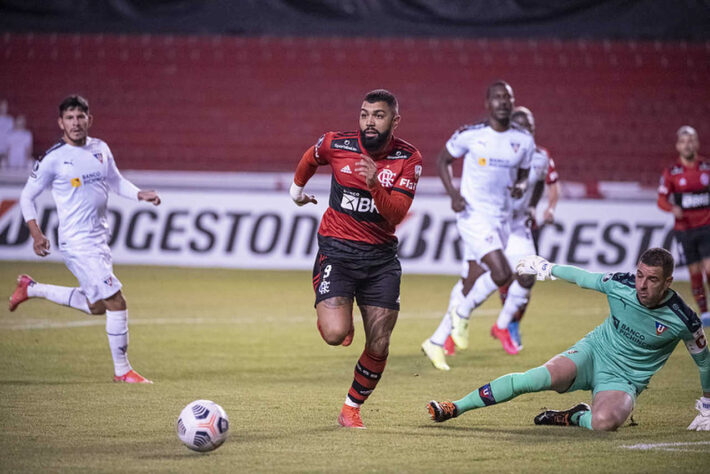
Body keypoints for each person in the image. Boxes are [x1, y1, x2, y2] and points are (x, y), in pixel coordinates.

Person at [427, 248, 710, 431]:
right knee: (532, 379)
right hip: (593, 352)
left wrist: (708, 404)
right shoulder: (621, 284)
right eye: (639, 275)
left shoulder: (683, 319)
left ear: (668, 282)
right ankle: (454, 407)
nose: (642, 285)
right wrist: (546, 268)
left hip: (625, 380)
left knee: (603, 423)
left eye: (652, 279)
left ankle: (574, 416)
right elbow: (584, 278)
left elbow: (704, 362)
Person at [289, 89, 422, 429]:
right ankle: (338, 319)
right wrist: (297, 190)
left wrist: (375, 183)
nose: (369, 122)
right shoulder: (338, 143)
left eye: (378, 115)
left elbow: (395, 215)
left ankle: (351, 408)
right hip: (338, 251)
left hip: (380, 260)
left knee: (379, 341)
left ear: (395, 120)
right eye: (364, 114)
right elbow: (312, 155)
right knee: (336, 334)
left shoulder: (409, 158)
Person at [8, 95, 160, 384]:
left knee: (97, 306)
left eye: (80, 117)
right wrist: (36, 232)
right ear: (60, 122)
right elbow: (27, 196)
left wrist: (139, 193)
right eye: (69, 118)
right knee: (116, 300)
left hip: (98, 240)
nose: (75, 123)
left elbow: (114, 181)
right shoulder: (53, 158)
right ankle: (122, 371)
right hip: (77, 243)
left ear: (89, 119)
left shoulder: (100, 148)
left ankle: (31, 288)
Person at [421, 80, 534, 371]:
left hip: (502, 219)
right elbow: (442, 160)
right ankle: (462, 314)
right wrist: (453, 195)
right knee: (502, 272)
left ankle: (436, 341)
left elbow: (524, 173)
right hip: (472, 215)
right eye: (497, 97)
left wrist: (521, 186)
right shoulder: (471, 135)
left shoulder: (523, 140)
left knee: (472, 281)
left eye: (508, 97)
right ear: (488, 103)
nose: (503, 102)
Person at [657, 126, 710, 327]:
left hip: (707, 227)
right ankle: (705, 313)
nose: (688, 144)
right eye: (684, 141)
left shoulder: (706, 167)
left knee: (709, 268)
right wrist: (672, 208)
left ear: (696, 143)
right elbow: (661, 200)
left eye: (691, 140)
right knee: (695, 271)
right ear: (678, 146)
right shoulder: (672, 172)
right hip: (685, 231)